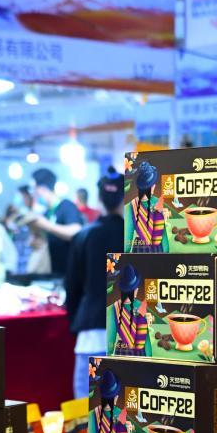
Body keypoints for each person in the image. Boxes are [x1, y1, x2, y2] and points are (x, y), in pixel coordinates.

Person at [65, 167, 125, 400]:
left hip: (91, 332)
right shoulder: (137, 238)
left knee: (86, 409)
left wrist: (75, 322)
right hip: (130, 332)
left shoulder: (85, 235)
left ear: (99, 198)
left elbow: (72, 288)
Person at [30, 168, 84, 274]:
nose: (33, 194)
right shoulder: (46, 213)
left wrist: (45, 225)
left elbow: (75, 232)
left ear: (42, 189)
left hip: (69, 271)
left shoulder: (66, 206)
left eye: (34, 189)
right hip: (52, 271)